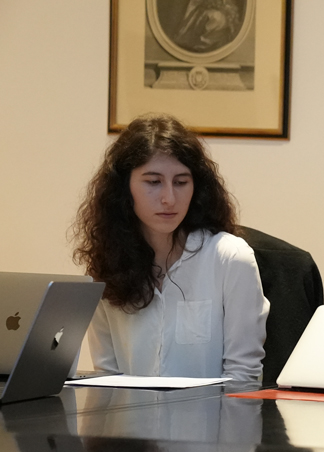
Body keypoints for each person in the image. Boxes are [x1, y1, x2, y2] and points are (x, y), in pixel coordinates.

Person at [73, 114, 268, 382]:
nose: (169, 198)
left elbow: (243, 376)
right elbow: (107, 377)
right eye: (153, 182)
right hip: (128, 422)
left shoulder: (230, 258)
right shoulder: (107, 263)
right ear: (124, 189)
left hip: (209, 421)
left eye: (181, 182)